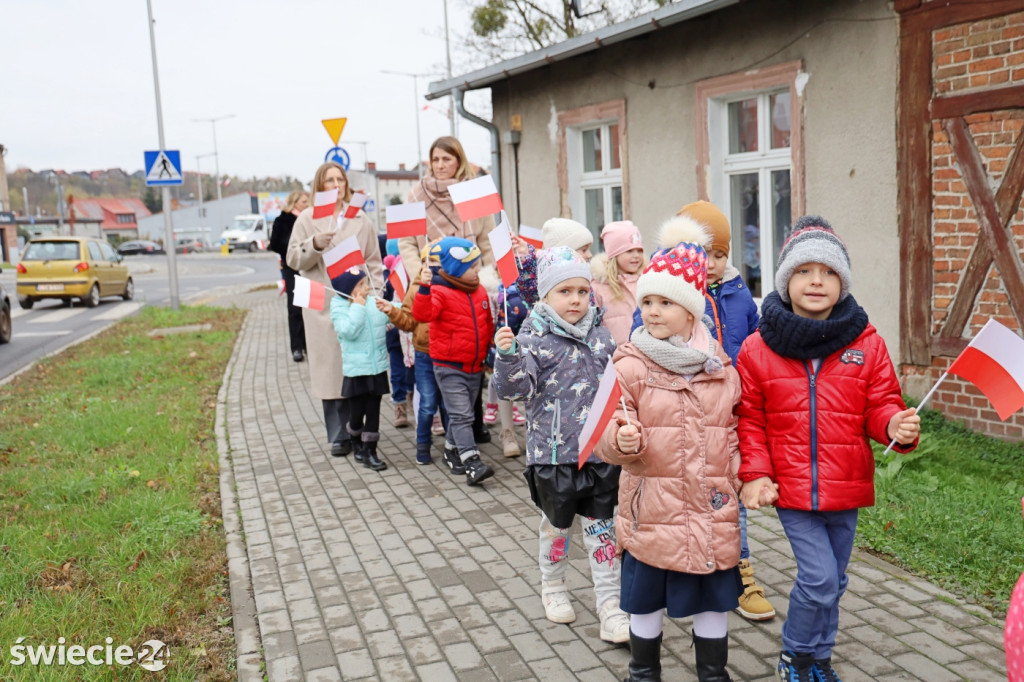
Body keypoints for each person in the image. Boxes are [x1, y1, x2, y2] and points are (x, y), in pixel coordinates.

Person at [737, 216, 920, 682]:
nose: (816, 280)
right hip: (792, 489)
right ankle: (795, 655)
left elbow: (880, 405)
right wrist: (756, 474)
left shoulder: (866, 342)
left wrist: (895, 424)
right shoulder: (758, 349)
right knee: (818, 579)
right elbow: (750, 421)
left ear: (843, 282)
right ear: (785, 280)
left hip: (847, 485)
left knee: (834, 583)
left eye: (829, 271)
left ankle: (821, 658)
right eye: (804, 270)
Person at [597, 217, 744, 682]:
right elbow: (608, 426)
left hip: (709, 507)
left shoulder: (720, 368)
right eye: (647, 301)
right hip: (652, 508)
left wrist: (740, 475)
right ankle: (644, 671)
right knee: (645, 598)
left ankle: (713, 673)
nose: (653, 311)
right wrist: (621, 438)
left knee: (712, 594)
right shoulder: (629, 364)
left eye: (665, 302)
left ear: (691, 311)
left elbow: (735, 429)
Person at [493, 246, 630, 645]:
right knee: (557, 528)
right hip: (553, 456)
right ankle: (553, 585)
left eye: (582, 291)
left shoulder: (602, 336)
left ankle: (610, 605)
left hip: (599, 453)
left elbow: (616, 389)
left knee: (602, 530)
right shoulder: (532, 338)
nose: (575, 300)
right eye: (564, 291)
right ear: (545, 296)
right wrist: (508, 357)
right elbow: (516, 388)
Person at [677, 200, 775, 623]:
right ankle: (686, 568)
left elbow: (756, 348)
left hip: (734, 415)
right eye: (705, 255)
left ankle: (741, 570)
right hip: (688, 415)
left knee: (732, 494)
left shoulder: (739, 295)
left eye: (720, 254)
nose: (713, 264)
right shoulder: (676, 295)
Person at [398, 136, 497, 446]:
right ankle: (450, 431)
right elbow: (406, 243)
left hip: (470, 282)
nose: (440, 166)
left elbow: (488, 239)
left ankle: (473, 425)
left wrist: (487, 275)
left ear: (459, 161)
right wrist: (422, 276)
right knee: (442, 355)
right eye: (435, 160)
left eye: (447, 159)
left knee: (473, 351)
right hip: (434, 283)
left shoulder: (474, 191)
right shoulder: (414, 194)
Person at [287, 162, 383, 457]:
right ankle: (339, 433)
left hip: (357, 302)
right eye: (329, 180)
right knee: (329, 371)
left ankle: (359, 426)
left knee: (356, 367)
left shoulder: (360, 219)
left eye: (340, 179)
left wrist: (376, 296)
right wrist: (313, 243)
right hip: (323, 303)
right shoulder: (306, 218)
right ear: (319, 185)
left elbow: (374, 261)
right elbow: (292, 259)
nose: (335, 184)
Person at [412, 237, 495, 485]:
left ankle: (451, 450)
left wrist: (490, 353)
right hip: (449, 365)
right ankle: (472, 463)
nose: (478, 269)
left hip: (474, 365)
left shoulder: (478, 290)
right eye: (471, 266)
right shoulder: (438, 291)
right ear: (457, 269)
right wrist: (424, 289)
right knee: (461, 415)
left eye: (478, 264)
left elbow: (487, 324)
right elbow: (422, 314)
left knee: (465, 412)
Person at [377, 241, 448, 466]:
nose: (434, 267)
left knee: (449, 404)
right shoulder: (417, 285)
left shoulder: (452, 285)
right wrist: (393, 312)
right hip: (425, 354)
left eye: (438, 262)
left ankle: (452, 447)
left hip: (448, 354)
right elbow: (408, 321)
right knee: (427, 403)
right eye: (430, 262)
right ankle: (423, 445)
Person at [329, 268, 389, 471]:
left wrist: (392, 309)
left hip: (377, 367)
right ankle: (355, 441)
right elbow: (348, 331)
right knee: (356, 414)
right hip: (356, 371)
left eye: (365, 283)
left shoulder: (372, 301)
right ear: (349, 291)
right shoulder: (339, 306)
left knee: (373, 411)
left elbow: (387, 317)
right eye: (361, 285)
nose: (366, 288)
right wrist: (358, 307)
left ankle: (370, 451)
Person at [512, 217, 595, 308]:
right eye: (584, 250)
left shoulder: (587, 275)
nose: (590, 255)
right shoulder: (545, 281)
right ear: (565, 252)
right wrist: (526, 259)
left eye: (582, 291)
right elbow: (531, 290)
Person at [268, 190, 309, 362]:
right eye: (304, 202)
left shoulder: (308, 219)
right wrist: (292, 247)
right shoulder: (282, 220)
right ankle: (297, 347)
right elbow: (275, 244)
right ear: (295, 203)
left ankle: (309, 344)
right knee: (295, 308)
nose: (307, 204)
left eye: (308, 201)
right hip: (292, 267)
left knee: (309, 306)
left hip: (308, 266)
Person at [590, 220, 645, 346]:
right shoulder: (599, 287)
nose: (636, 255)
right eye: (629, 251)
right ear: (615, 254)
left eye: (639, 250)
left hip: (646, 355)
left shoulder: (647, 280)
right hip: (615, 357)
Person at [382, 240, 414, 428]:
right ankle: (399, 404)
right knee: (397, 372)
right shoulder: (386, 278)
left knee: (411, 369)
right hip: (394, 334)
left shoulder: (412, 272)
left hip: (411, 333)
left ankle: (410, 395)